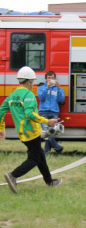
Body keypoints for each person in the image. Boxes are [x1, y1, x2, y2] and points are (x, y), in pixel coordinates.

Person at [0, 66, 62, 194]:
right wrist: (47, 121)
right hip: (31, 133)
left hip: (22, 133)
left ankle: (49, 181)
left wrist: (2, 129)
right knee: (34, 158)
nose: (33, 84)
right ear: (28, 82)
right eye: (32, 82)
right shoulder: (29, 95)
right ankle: (13, 175)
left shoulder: (13, 95)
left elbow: (1, 111)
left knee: (40, 156)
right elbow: (29, 114)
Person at [38, 71, 65, 155]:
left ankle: (46, 152)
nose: (50, 79)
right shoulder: (41, 88)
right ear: (46, 79)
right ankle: (57, 147)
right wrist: (47, 87)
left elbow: (61, 99)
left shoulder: (57, 89)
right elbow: (41, 98)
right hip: (43, 112)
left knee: (52, 132)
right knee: (46, 132)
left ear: (54, 79)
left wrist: (59, 88)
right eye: (49, 78)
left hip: (54, 112)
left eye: (52, 78)